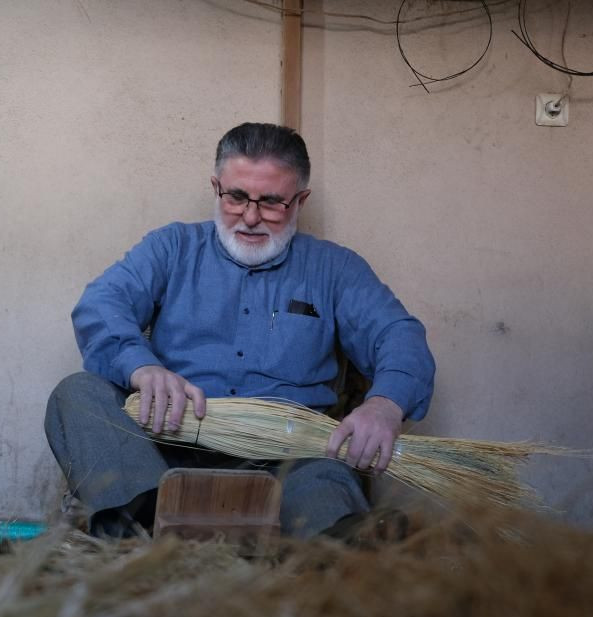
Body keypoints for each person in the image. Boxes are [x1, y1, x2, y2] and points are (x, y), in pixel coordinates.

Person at [45, 123, 435, 537]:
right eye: (236, 197)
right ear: (216, 187)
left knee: (325, 487)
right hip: (164, 451)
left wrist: (385, 405)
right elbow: (101, 304)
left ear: (300, 200)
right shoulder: (173, 247)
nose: (250, 217)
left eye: (271, 202)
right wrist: (143, 368)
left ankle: (340, 552)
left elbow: (399, 335)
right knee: (77, 394)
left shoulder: (334, 269)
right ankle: (148, 533)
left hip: (290, 461)